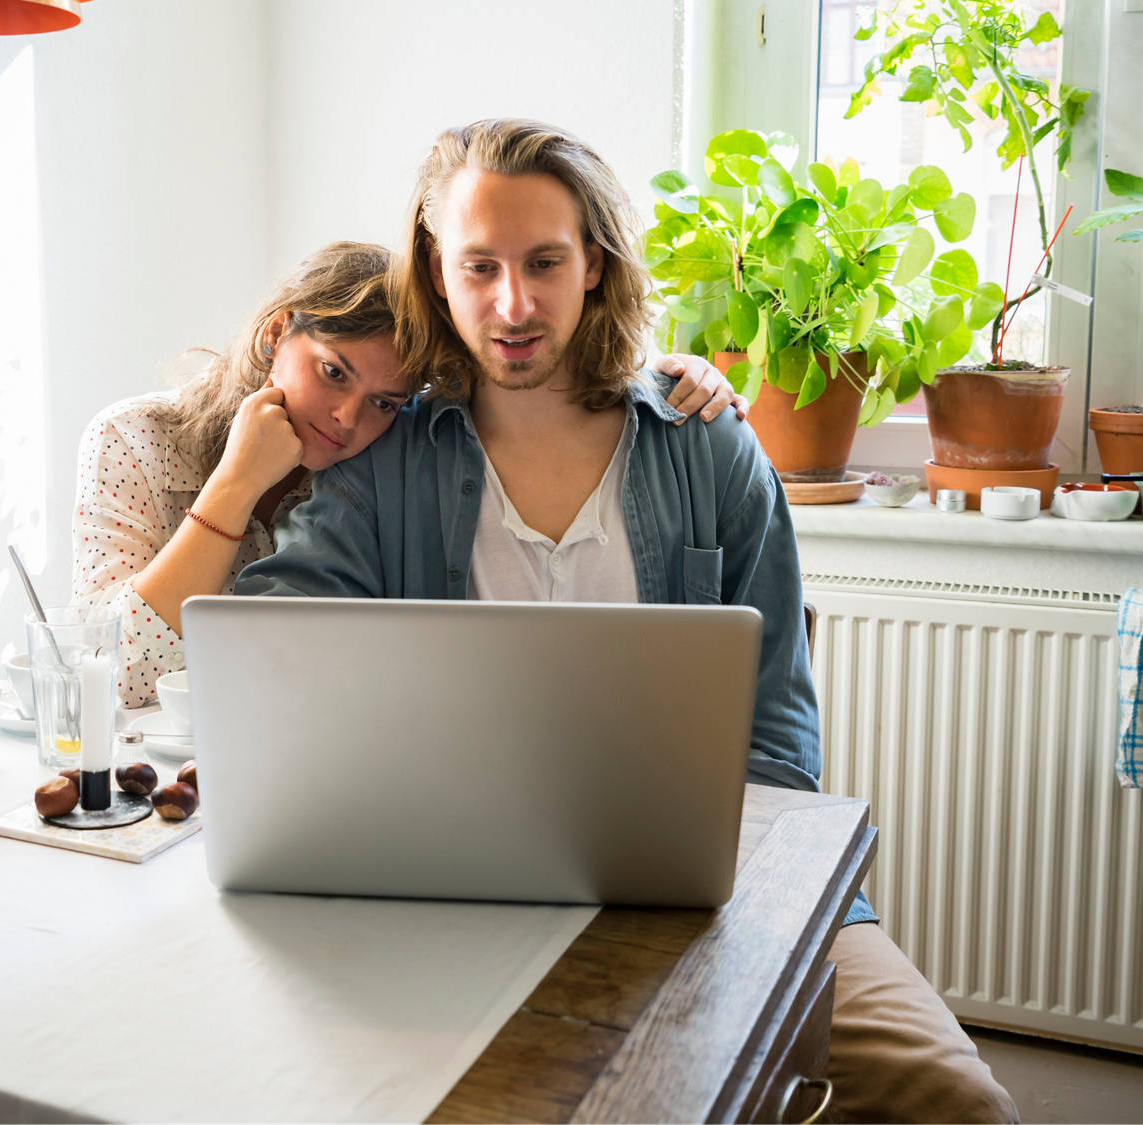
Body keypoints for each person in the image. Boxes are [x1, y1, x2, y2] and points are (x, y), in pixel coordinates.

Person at [236, 119, 1017, 1124]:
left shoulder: (710, 449)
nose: (512, 305)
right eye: (479, 267)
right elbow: (269, 657)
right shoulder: (386, 465)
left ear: (593, 263)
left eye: (544, 262)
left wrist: (696, 878)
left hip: (716, 884)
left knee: (953, 1100)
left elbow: (777, 742)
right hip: (452, 893)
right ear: (436, 273)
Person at [71, 241, 743, 708]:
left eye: (384, 402)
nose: (344, 417)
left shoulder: (376, 471)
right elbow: (110, 673)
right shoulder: (134, 442)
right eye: (332, 372)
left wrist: (660, 372)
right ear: (277, 335)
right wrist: (235, 485)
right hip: (138, 781)